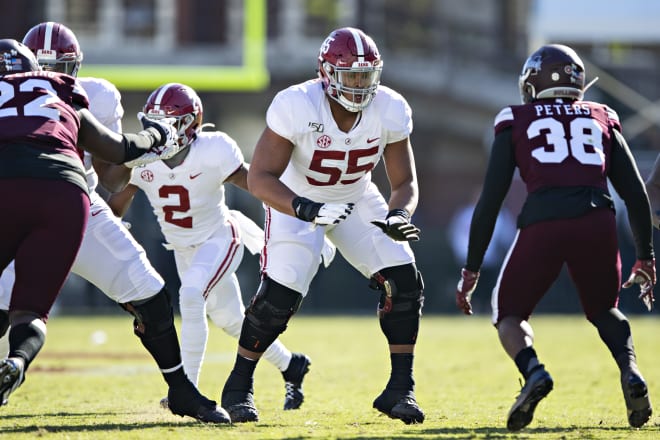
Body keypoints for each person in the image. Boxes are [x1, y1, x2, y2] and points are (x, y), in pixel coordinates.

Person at [218, 27, 425, 425]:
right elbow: (260, 177)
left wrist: (399, 215)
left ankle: (401, 388)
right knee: (280, 293)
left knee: (404, 279)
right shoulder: (298, 105)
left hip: (356, 197)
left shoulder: (391, 108)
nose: (361, 85)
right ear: (327, 74)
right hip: (295, 199)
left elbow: (404, 184)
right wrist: (304, 208)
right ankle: (238, 385)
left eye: (367, 76)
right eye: (352, 76)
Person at [0, 38, 208, 418]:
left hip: (69, 203)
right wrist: (155, 139)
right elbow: (118, 149)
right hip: (67, 198)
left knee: (148, 293)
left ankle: (181, 391)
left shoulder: (94, 92)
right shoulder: (62, 92)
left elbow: (111, 178)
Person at [454, 43, 655, 431]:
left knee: (508, 313)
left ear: (532, 83)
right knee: (605, 308)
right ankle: (630, 371)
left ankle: (533, 372)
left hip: (544, 219)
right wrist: (645, 255)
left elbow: (490, 200)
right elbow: (635, 192)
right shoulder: (601, 116)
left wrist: (472, 268)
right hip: (598, 218)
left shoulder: (515, 119)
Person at [106, 82, 317, 412]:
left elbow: (258, 183)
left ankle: (184, 390)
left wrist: (296, 214)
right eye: (153, 123)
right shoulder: (141, 161)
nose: (158, 132)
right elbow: (114, 207)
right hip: (182, 249)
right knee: (232, 320)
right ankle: (292, 365)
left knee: (190, 296)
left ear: (190, 126)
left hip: (219, 237)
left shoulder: (214, 149)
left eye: (169, 124)